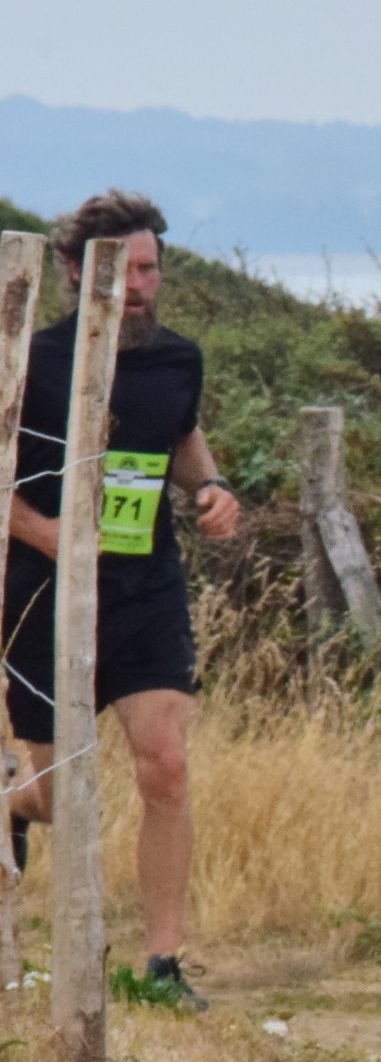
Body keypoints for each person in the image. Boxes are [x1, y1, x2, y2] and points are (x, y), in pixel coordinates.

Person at [5, 190, 239, 1009]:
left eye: (149, 269)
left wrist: (210, 489)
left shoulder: (178, 359)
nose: (139, 286)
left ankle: (163, 966)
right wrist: (50, 535)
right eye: (123, 269)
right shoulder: (30, 357)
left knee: (165, 765)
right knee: (65, 794)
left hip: (147, 591)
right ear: (76, 269)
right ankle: (14, 802)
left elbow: (181, 435)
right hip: (42, 593)